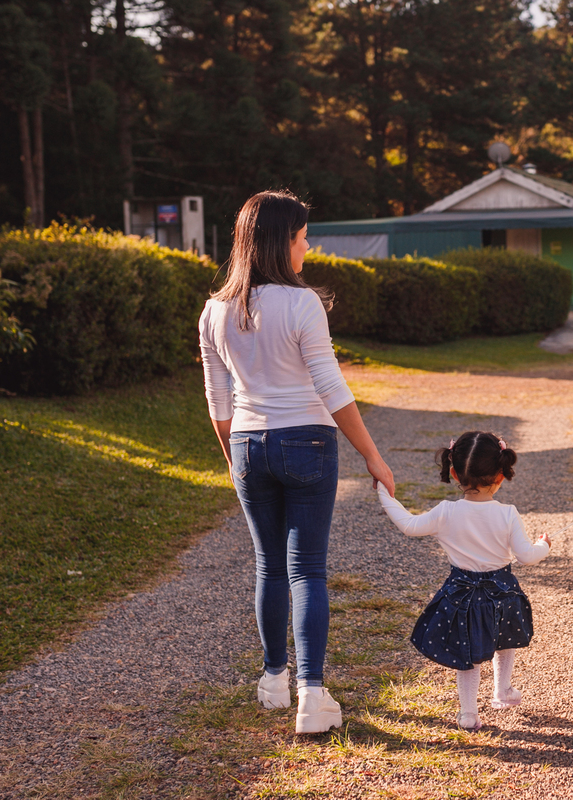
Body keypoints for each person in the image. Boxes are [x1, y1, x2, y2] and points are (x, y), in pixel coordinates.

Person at [199, 190, 395, 734]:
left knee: (269, 565)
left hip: (247, 445)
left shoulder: (214, 311)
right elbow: (331, 387)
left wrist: (234, 459)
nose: (308, 246)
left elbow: (218, 403)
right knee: (306, 568)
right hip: (307, 441)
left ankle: (272, 680)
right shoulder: (302, 303)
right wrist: (373, 458)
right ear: (281, 242)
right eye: (303, 237)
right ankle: (311, 694)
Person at [375, 432, 551, 731]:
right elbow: (525, 556)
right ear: (501, 475)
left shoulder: (446, 512)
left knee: (466, 652)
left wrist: (384, 493)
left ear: (454, 472)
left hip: (461, 594)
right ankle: (502, 690)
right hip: (502, 592)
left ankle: (468, 714)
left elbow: (408, 525)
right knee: (504, 639)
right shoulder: (507, 514)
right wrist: (544, 545)